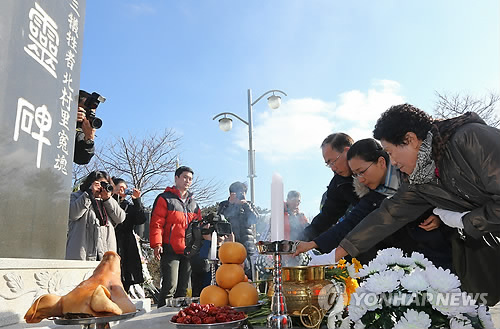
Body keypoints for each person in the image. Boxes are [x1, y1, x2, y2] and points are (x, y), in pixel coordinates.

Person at [335, 104, 500, 305]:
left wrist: (465, 220)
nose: (392, 162)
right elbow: (389, 215)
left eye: (391, 152)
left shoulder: (471, 139)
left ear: (410, 140)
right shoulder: (422, 179)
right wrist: (338, 252)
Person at [294, 139, 451, 267]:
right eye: (356, 175)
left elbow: (442, 192)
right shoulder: (369, 189)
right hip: (395, 251)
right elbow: (354, 220)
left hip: (441, 244)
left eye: (361, 172)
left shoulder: (407, 170)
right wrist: (311, 243)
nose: (360, 179)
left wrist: (440, 213)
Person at [150, 166, 201, 307]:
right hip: (170, 249)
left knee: (183, 289)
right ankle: (160, 320)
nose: (187, 181)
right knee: (169, 286)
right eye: (184, 177)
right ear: (176, 178)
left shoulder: (194, 203)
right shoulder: (164, 198)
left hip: (188, 251)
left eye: (190, 178)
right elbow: (156, 223)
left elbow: (199, 225)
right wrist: (157, 244)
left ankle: (178, 319)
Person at [300, 133, 358, 241]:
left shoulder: (375, 165)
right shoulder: (339, 183)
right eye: (328, 164)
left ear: (346, 151)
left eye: (332, 161)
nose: (332, 168)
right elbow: (327, 216)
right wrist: (299, 240)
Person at [66, 170, 125, 260]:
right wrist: (89, 194)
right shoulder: (76, 196)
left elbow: (120, 218)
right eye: (100, 184)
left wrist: (107, 199)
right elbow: (73, 214)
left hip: (105, 253)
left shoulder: (108, 200)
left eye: (105, 184)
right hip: (81, 253)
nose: (102, 187)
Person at [112, 177, 147, 293]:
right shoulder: (107, 202)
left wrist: (137, 201)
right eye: (119, 188)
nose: (122, 191)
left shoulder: (129, 206)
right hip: (112, 239)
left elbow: (141, 219)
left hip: (127, 241)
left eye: (125, 189)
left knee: (127, 275)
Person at [217, 181, 258, 280]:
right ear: (231, 194)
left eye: (243, 192)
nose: (241, 195)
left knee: (248, 275)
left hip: (247, 245)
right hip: (230, 245)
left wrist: (245, 205)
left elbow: (255, 219)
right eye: (238, 193)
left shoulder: (249, 205)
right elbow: (219, 220)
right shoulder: (224, 205)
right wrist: (229, 204)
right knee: (231, 276)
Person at [73, 90, 98, 165]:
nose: (86, 116)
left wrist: (89, 139)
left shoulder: (81, 131)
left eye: (90, 113)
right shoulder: (54, 113)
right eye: (84, 110)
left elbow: (82, 159)